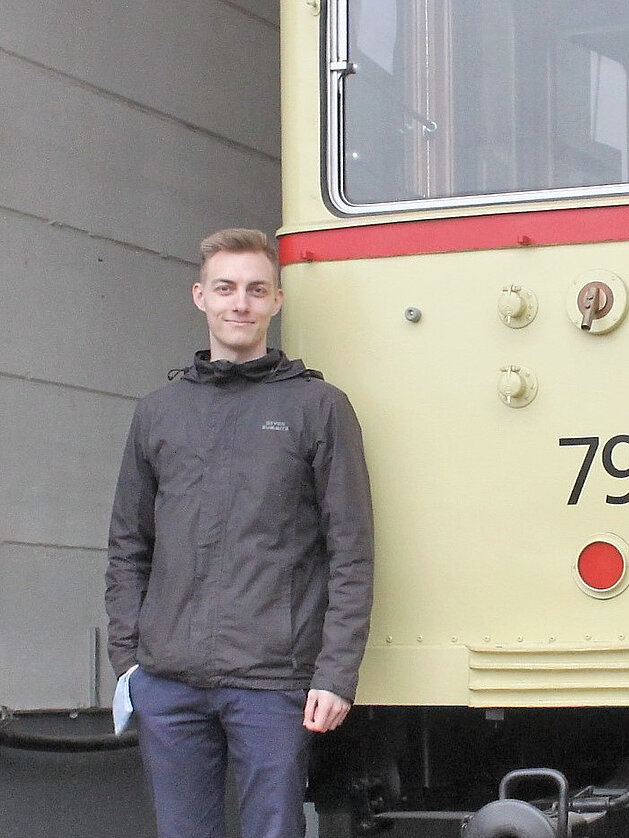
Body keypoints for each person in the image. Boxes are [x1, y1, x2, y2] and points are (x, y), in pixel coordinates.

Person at [105, 228, 374, 838]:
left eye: (256, 290)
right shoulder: (158, 412)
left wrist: (335, 674)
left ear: (277, 301)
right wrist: (129, 666)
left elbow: (351, 552)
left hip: (272, 683)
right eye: (225, 288)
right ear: (200, 296)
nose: (240, 303)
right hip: (168, 684)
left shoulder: (318, 407)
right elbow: (128, 547)